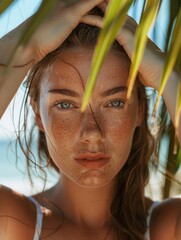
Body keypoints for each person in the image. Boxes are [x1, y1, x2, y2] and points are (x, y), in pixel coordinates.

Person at [0, 1, 181, 240]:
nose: (92, 132)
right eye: (65, 105)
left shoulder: (168, 228)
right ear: (38, 114)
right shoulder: (12, 222)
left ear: (140, 110)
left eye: (115, 102)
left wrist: (166, 76)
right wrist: (26, 44)